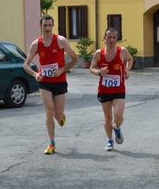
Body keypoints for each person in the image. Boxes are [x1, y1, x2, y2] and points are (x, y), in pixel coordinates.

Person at [23, 14, 79, 155]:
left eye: (49, 25)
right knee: (49, 111)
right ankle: (51, 143)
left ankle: (61, 116)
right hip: (45, 82)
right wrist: (36, 74)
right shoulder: (36, 44)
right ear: (40, 26)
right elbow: (26, 65)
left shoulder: (60, 41)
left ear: (53, 26)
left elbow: (75, 59)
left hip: (59, 81)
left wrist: (61, 70)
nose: (47, 28)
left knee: (57, 116)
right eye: (45, 25)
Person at [90, 27, 134, 151]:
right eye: (109, 37)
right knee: (108, 118)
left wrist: (126, 69)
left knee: (118, 115)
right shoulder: (99, 53)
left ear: (117, 39)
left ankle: (117, 128)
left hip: (119, 89)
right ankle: (109, 140)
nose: (111, 39)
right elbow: (91, 68)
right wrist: (99, 72)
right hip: (104, 90)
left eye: (114, 37)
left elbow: (130, 60)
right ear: (104, 38)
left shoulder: (122, 51)